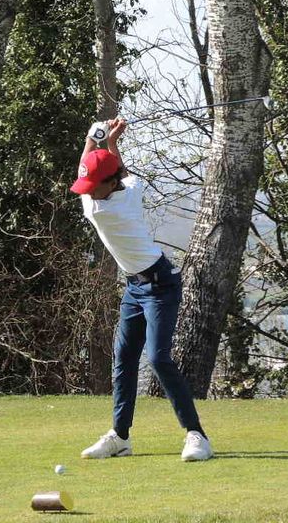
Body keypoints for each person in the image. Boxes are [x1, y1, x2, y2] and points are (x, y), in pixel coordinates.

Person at [71, 117, 213, 462]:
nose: (86, 190)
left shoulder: (101, 210)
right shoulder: (128, 190)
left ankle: (197, 436)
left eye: (93, 185)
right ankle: (120, 437)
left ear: (110, 183)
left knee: (159, 358)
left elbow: (89, 162)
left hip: (161, 285)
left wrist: (95, 135)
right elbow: (104, 170)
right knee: (123, 359)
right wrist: (110, 143)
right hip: (134, 287)